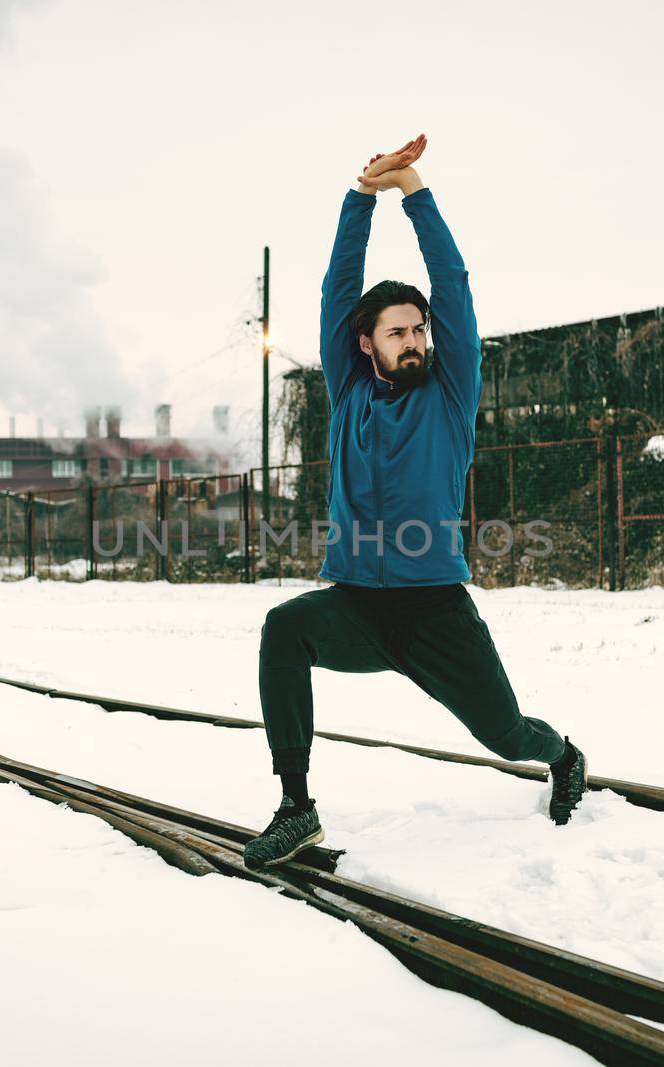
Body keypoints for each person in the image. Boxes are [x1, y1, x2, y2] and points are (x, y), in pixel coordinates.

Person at [244, 134, 587, 872]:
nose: (413, 339)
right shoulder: (350, 392)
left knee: (506, 734)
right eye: (396, 331)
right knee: (284, 630)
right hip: (358, 606)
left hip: (435, 611)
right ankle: (295, 808)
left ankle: (563, 754)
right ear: (365, 345)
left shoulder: (450, 392)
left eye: (418, 328)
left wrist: (415, 192)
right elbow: (339, 290)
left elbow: (453, 284)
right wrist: (360, 198)